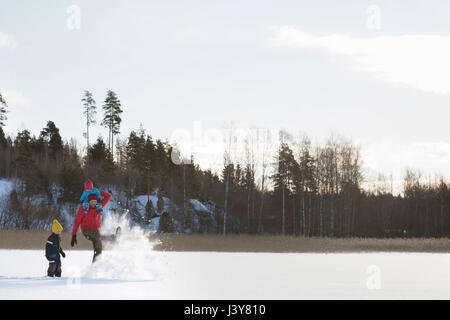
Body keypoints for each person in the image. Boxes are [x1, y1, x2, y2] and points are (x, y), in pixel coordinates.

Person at [71, 184, 111, 263]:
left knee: (98, 251)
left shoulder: (99, 207)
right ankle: (112, 237)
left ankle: (94, 268)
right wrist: (74, 235)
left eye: (95, 202)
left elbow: (108, 196)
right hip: (87, 231)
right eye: (92, 201)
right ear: (88, 201)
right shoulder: (83, 208)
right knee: (98, 235)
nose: (93, 203)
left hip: (97, 232)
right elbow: (77, 222)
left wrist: (97, 192)